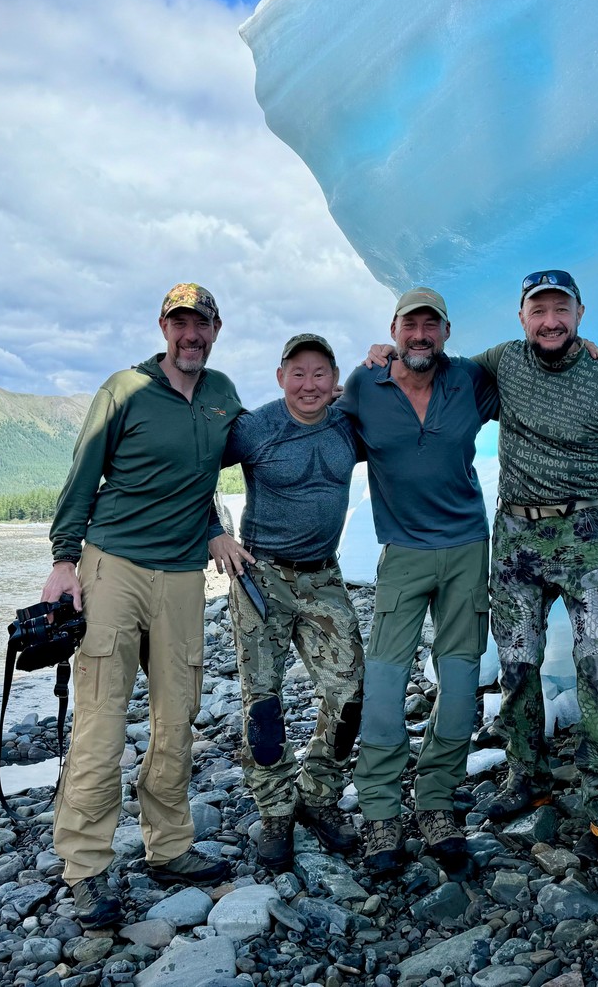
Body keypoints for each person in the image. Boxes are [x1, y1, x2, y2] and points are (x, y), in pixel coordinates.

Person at [40, 282, 245, 929]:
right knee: (101, 720)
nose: (191, 335)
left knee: (178, 712)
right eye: (180, 323)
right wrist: (63, 561)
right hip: (115, 566)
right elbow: (84, 473)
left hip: (184, 572)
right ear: (163, 327)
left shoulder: (222, 396)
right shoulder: (123, 391)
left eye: (201, 324)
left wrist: (214, 523)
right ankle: (85, 867)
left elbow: (202, 474)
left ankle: (170, 846)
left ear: (216, 329)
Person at [471, 269, 598, 862]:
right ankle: (527, 773)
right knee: (518, 661)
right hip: (517, 533)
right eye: (538, 310)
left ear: (580, 313)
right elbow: (433, 370)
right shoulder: (502, 363)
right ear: (521, 316)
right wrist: (384, 352)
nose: (550, 321)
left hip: (585, 534)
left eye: (561, 310)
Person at [338, 288, 499, 872]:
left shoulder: (471, 381)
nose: (421, 335)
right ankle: (381, 811)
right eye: (411, 325)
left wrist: (587, 348)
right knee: (384, 681)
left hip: (465, 550)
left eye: (432, 325)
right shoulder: (365, 386)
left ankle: (435, 803)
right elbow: (313, 423)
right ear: (394, 330)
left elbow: (536, 371)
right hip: (402, 552)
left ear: (447, 333)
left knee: (459, 681)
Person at [209, 334, 366, 871]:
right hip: (261, 577)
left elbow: (404, 407)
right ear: (280, 377)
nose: (308, 384)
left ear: (334, 378)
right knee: (264, 701)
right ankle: (275, 809)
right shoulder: (258, 427)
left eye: (319, 372)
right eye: (297, 372)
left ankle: (318, 797)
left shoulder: (348, 421)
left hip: (323, 576)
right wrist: (216, 530)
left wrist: (383, 359)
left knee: (348, 696)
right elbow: (197, 462)